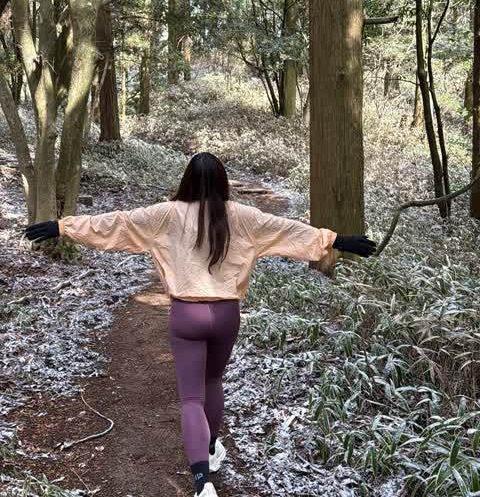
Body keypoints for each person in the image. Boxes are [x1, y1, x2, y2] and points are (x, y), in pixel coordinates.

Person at [25, 152, 376, 497]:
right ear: (223, 182)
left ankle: (202, 484)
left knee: (191, 399)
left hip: (186, 315)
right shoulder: (243, 216)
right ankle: (210, 447)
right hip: (226, 315)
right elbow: (286, 230)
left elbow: (118, 223)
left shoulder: (166, 214)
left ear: (187, 180)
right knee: (213, 381)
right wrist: (338, 241)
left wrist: (62, 227)